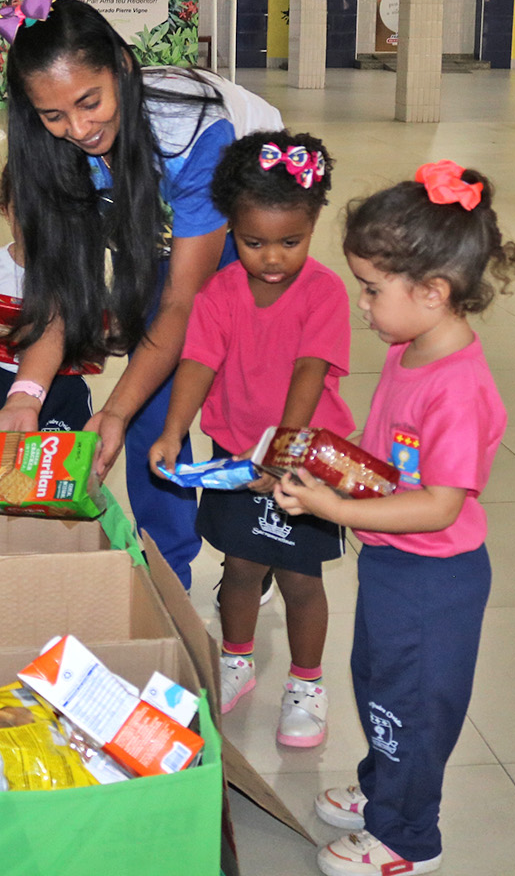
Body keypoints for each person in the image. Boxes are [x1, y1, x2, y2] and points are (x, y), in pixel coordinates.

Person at [272, 161, 515, 876]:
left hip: (432, 579)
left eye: (372, 289)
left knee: (411, 706)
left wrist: (335, 506)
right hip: (395, 565)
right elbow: (391, 458)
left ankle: (408, 839)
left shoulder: (458, 390)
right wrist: (332, 465)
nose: (362, 304)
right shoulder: (407, 348)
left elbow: (441, 501)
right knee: (381, 683)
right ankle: (387, 788)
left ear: (434, 292)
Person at [0, 0, 280, 588]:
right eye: (52, 115)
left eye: (89, 102)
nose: (77, 128)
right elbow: (63, 294)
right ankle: (166, 568)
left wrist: (113, 409)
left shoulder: (191, 127)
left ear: (121, 66)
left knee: (238, 391)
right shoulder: (52, 150)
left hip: (251, 204)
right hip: (152, 206)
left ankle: (251, 549)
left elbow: (182, 301)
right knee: (152, 400)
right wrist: (25, 394)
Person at [148, 131, 351, 750]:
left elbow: (310, 371)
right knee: (240, 568)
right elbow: (198, 365)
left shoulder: (324, 292)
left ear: (314, 225)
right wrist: (173, 429)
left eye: (291, 242)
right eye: (253, 242)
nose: (271, 257)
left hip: (303, 465)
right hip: (236, 461)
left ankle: (307, 684)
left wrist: (284, 449)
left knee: (299, 578)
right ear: (230, 228)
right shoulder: (219, 294)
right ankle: (235, 660)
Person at [0, 164, 93, 439]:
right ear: (5, 211)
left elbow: (91, 333)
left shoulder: (75, 271)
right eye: (24, 213)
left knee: (66, 464)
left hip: (64, 385)